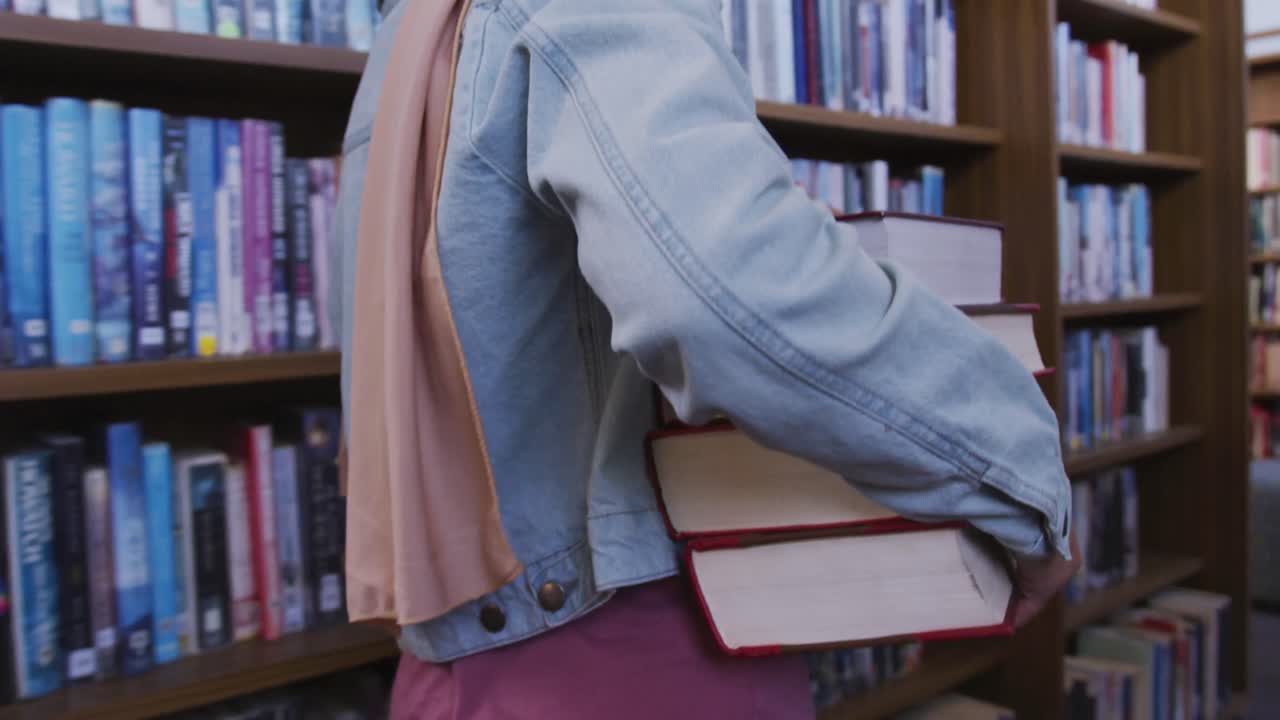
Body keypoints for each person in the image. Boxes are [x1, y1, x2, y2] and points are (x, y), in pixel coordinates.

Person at [331, 0, 1080, 717]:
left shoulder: (419, 23)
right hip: (631, 665)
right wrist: (1019, 475)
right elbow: (735, 298)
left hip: (455, 667)